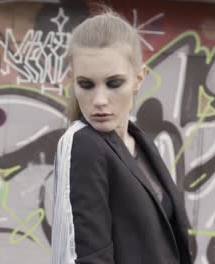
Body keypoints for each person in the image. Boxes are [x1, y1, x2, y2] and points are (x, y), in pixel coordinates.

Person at [51, 7, 193, 264]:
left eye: (114, 83)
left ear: (139, 78)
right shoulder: (84, 144)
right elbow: (89, 256)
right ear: (73, 81)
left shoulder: (141, 143)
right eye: (86, 84)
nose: (100, 100)